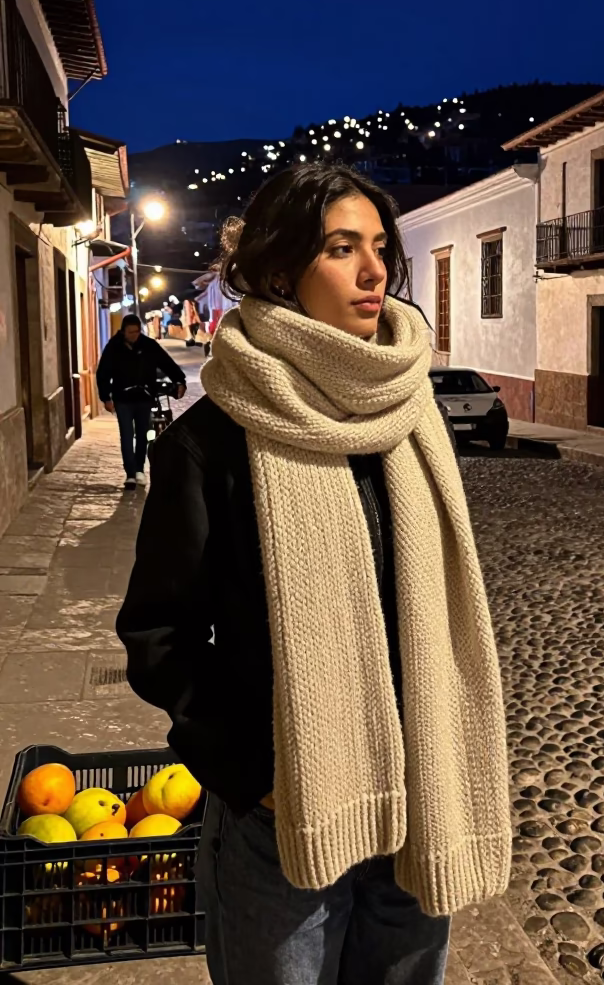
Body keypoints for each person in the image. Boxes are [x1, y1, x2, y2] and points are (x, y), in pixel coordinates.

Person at [116, 164, 510, 985]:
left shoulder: (411, 412)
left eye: (380, 248)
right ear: (279, 271)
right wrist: (250, 774)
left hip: (421, 799)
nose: (373, 271)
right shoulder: (213, 441)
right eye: (341, 249)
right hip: (283, 822)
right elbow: (158, 633)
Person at [96, 313, 187, 491]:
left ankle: (139, 470)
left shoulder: (148, 345)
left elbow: (166, 363)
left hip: (144, 397)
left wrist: (179, 380)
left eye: (137, 331)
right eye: (130, 332)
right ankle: (130, 474)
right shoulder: (113, 347)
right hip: (122, 398)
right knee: (126, 435)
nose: (134, 335)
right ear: (123, 331)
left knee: (143, 435)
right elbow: (103, 373)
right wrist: (106, 397)